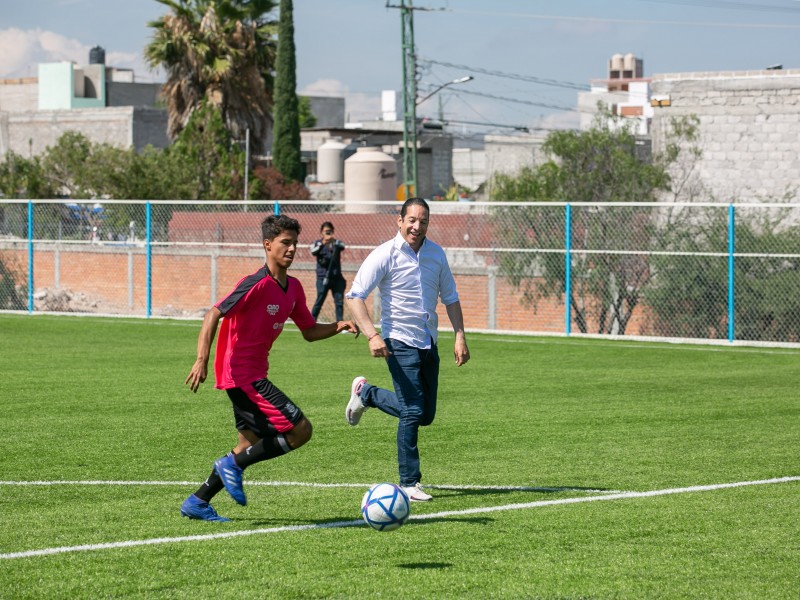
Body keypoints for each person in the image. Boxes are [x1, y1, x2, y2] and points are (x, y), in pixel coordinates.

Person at [181, 214, 360, 522]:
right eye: (284, 243)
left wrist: (338, 325)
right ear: (267, 245)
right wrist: (201, 359)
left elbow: (309, 331)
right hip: (241, 374)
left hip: (252, 374)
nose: (291, 249)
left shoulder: (293, 289)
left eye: (294, 243)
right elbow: (214, 313)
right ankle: (231, 467)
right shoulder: (255, 284)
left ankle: (197, 501)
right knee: (300, 430)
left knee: (247, 444)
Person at [344, 197, 470, 502]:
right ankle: (409, 482)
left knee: (425, 415)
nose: (416, 226)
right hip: (398, 341)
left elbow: (450, 298)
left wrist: (460, 336)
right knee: (412, 410)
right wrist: (373, 335)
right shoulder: (384, 254)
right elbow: (355, 295)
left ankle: (367, 394)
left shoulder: (436, 254)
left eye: (423, 221)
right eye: (411, 220)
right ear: (399, 221)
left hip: (428, 342)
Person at [309, 221, 346, 321]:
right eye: (326, 232)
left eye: (330, 231)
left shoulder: (336, 243)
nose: (328, 234)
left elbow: (343, 246)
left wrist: (333, 242)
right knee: (319, 300)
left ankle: (340, 324)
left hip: (336, 277)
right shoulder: (317, 243)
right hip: (323, 278)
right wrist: (323, 243)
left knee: (339, 302)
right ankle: (311, 321)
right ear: (321, 232)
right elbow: (313, 251)